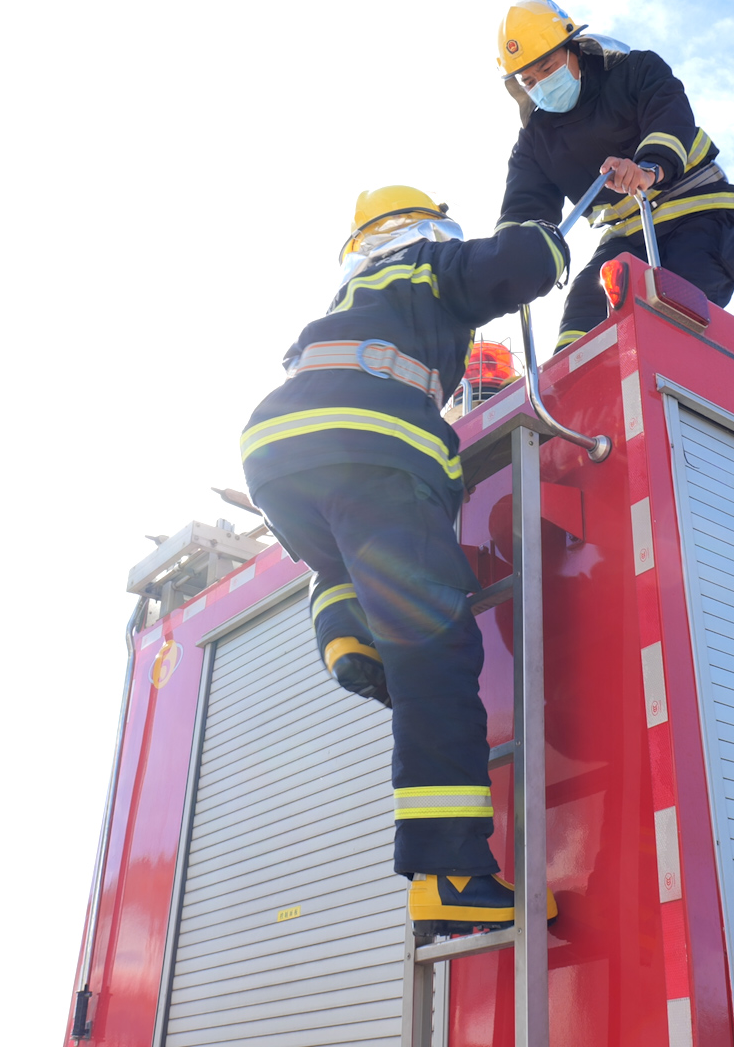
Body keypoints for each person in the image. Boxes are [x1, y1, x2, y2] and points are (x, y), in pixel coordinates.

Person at [240, 186, 565, 933]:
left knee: (346, 555)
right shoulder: (425, 264)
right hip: (373, 446)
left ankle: (347, 630)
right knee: (438, 656)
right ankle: (452, 874)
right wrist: (541, 223)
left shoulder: (350, 292)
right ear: (426, 226)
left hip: (279, 455)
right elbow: (524, 262)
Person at [495, 0, 734, 351]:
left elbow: (668, 115)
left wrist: (648, 168)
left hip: (697, 214)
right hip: (627, 233)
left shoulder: (636, 70)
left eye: (548, 67)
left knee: (672, 310)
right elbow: (524, 206)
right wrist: (505, 260)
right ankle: (576, 399)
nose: (541, 84)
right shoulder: (536, 138)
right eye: (529, 80)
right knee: (583, 306)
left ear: (574, 50)